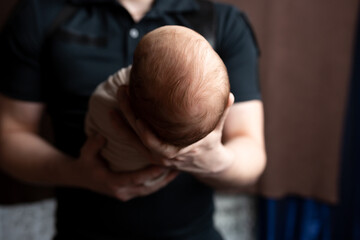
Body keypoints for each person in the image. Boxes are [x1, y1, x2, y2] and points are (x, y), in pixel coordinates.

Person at [0, 0, 266, 239]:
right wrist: (78, 174)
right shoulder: (39, 13)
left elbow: (251, 152)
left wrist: (213, 160)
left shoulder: (222, 21)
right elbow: (9, 137)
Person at [85, 25, 231, 173]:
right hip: (156, 176)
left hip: (105, 160)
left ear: (128, 92)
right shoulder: (183, 141)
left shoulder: (109, 99)